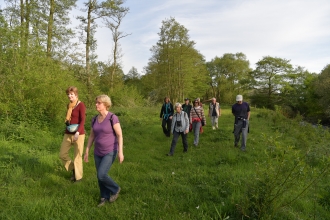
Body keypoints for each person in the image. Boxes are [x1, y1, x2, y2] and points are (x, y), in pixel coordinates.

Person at [84, 95, 124, 207]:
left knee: (102, 174)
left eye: (99, 103)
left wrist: (120, 152)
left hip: (110, 151)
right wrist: (87, 150)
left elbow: (119, 135)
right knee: (99, 176)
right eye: (96, 102)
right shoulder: (94, 119)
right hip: (98, 152)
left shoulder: (112, 118)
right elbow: (92, 136)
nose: (96, 104)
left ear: (105, 105)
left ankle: (115, 189)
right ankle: (104, 196)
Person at [59, 86, 86, 182]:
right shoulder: (69, 105)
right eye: (68, 94)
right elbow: (69, 118)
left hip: (79, 134)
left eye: (71, 94)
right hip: (68, 133)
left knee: (77, 156)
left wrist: (78, 132)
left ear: (76, 95)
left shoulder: (81, 105)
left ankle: (78, 178)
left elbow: (83, 120)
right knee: (62, 154)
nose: (70, 96)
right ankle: (74, 169)